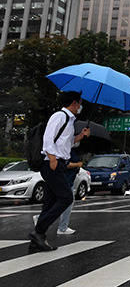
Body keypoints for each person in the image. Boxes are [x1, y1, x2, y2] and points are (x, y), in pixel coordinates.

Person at [30, 91, 90, 251]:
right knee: (66, 198)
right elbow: (48, 138)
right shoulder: (59, 116)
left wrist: (81, 136)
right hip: (52, 163)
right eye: (80, 103)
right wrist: (53, 159)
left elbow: (67, 143)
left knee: (50, 201)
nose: (80, 107)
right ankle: (39, 230)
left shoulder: (69, 121)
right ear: (74, 103)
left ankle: (38, 237)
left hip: (60, 164)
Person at [32, 146, 83, 235]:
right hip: (65, 180)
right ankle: (61, 227)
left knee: (56, 202)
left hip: (67, 179)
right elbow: (65, 164)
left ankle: (41, 220)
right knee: (67, 201)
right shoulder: (66, 149)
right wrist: (77, 165)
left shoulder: (70, 150)